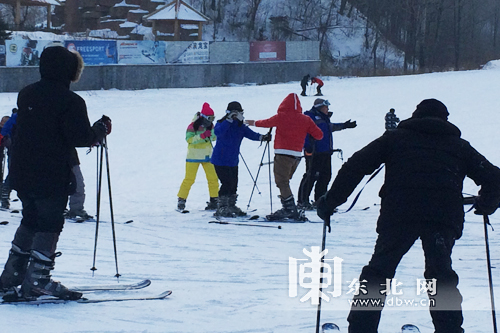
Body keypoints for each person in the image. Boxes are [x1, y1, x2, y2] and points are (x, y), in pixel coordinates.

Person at [316, 99, 500, 333]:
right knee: (440, 275)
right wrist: (486, 204)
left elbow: (356, 165)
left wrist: (331, 202)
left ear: (415, 116)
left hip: (399, 213)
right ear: (445, 119)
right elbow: (494, 177)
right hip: (442, 217)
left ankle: (362, 328)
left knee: (379, 272)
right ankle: (450, 330)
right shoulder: (459, 146)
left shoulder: (395, 139)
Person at [0, 42, 111, 300]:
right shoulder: (71, 101)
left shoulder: (26, 93)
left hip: (23, 170)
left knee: (30, 219)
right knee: (49, 223)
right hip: (50, 173)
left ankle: (11, 276)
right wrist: (99, 130)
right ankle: (38, 280)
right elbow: (79, 136)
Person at [246, 93, 323, 221]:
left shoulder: (281, 116)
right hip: (297, 156)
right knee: (285, 180)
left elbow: (266, 123)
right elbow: (319, 135)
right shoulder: (305, 119)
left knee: (282, 182)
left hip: (282, 153)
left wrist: (251, 122)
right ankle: (289, 206)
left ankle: (289, 208)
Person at [211, 101, 271, 217]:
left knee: (234, 183)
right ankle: (222, 207)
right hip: (220, 160)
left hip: (233, 160)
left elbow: (251, 134)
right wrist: (228, 120)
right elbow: (218, 132)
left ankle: (231, 205)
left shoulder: (240, 126)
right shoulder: (221, 123)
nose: (237, 115)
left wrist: (263, 137)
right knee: (226, 183)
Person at [297, 98, 357, 210]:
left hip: (326, 153)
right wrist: (307, 146)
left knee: (325, 177)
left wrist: (345, 125)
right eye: (326, 107)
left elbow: (330, 128)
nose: (328, 109)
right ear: (320, 107)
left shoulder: (325, 119)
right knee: (311, 176)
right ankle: (302, 201)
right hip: (314, 152)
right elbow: (303, 132)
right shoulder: (310, 117)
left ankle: (319, 200)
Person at [177, 102, 219, 212]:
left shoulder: (211, 125)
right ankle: (181, 200)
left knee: (213, 179)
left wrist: (212, 135)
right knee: (189, 179)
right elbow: (189, 140)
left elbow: (214, 138)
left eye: (213, 118)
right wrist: (202, 136)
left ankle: (214, 199)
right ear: (203, 116)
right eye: (210, 117)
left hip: (208, 156)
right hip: (193, 157)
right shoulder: (192, 126)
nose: (211, 120)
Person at [65, 150, 92, 220]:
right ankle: (54, 208)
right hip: (49, 158)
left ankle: (76, 209)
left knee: (77, 184)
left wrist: (93, 139)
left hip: (70, 158)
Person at [0, 108, 18, 209]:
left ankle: (5, 194)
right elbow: (5, 132)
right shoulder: (16, 117)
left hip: (26, 149)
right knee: (14, 172)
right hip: (16, 149)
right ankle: (4, 194)